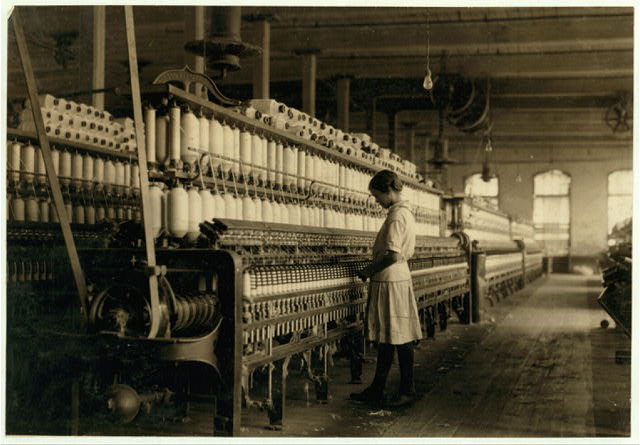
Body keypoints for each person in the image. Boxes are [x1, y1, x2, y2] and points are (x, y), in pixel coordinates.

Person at [350, 169, 422, 407]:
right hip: (395, 279)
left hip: (390, 280)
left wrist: (367, 271)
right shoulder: (404, 213)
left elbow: (392, 255)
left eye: (377, 195)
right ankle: (378, 389)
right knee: (389, 337)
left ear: (388, 190)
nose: (376, 200)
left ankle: (407, 390)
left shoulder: (396, 217)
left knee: (399, 338)